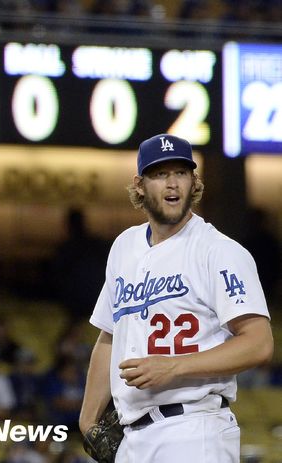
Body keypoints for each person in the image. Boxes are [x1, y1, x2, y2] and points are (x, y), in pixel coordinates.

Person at [79, 134, 274, 462]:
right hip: (132, 434)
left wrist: (174, 367)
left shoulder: (219, 251)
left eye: (181, 173)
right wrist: (87, 421)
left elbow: (259, 343)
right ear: (140, 185)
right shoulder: (125, 246)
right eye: (160, 174)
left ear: (194, 182)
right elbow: (109, 336)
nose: (172, 183)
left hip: (194, 427)